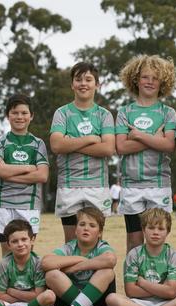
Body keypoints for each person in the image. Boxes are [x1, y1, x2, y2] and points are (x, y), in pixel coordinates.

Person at [115, 55, 176, 253]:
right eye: (145, 77)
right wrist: (153, 138)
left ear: (163, 82)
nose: (150, 82)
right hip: (132, 185)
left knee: (156, 240)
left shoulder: (168, 113)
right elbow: (121, 148)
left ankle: (156, 281)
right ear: (135, 79)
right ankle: (133, 283)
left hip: (159, 185)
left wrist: (139, 135)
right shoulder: (125, 112)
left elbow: (168, 145)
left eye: (155, 78)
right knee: (134, 242)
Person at [49, 62, 115, 243]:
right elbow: (56, 145)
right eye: (78, 79)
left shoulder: (104, 115)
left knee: (95, 243)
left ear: (97, 84)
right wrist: (91, 139)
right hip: (69, 186)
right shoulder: (62, 113)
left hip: (97, 186)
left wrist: (70, 142)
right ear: (72, 84)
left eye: (88, 79)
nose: (83, 83)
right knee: (71, 244)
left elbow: (108, 148)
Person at [36, 207, 129, 306]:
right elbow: (46, 262)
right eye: (82, 224)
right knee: (51, 274)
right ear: (75, 230)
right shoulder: (69, 247)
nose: (86, 228)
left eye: (92, 225)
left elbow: (111, 259)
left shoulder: (101, 247)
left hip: (98, 301)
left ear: (100, 232)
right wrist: (80, 258)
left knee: (107, 272)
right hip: (67, 302)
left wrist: (75, 267)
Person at [0, 94, 49, 256]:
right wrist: (29, 168)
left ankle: (26, 283)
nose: (20, 117)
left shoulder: (38, 144)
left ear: (31, 116)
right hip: (3, 204)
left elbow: (42, 176)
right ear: (8, 115)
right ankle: (9, 283)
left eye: (24, 113)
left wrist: (7, 173)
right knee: (7, 254)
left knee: (26, 253)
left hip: (29, 206)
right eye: (15, 113)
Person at [105, 208, 176, 306]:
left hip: (166, 304)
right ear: (143, 229)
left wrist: (143, 283)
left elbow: (171, 292)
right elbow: (131, 291)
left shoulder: (174, 256)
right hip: (139, 304)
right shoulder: (134, 255)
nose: (156, 232)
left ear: (168, 231)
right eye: (151, 228)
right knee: (111, 299)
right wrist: (162, 289)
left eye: (161, 228)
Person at [0, 220, 55, 306]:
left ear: (32, 240)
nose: (20, 244)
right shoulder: (4, 264)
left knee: (49, 296)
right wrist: (28, 295)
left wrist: (12, 292)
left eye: (24, 239)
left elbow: (38, 295)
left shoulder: (38, 263)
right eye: (15, 241)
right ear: (8, 244)